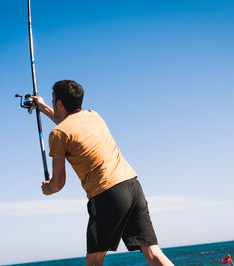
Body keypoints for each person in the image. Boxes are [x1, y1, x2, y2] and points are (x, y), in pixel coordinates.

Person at [31, 80, 173, 266]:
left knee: (94, 261)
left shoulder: (58, 135)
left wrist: (48, 188)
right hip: (132, 185)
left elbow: (58, 184)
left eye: (53, 100)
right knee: (153, 253)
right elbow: (68, 124)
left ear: (59, 104)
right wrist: (42, 107)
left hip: (107, 194)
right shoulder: (93, 116)